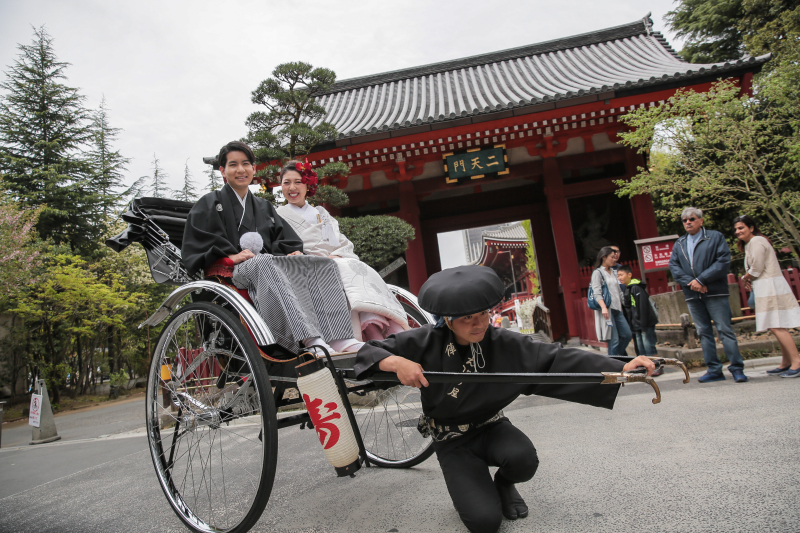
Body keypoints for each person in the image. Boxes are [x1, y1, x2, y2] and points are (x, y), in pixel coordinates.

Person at [353, 265, 655, 533]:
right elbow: (369, 352)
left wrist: (620, 367)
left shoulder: (505, 343)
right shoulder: (423, 341)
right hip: (452, 440)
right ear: (447, 319)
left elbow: (555, 359)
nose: (478, 324)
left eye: (483, 314)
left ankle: (504, 484)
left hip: (491, 428)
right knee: (485, 522)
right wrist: (396, 363)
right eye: (467, 318)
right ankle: (477, 487)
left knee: (524, 459)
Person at [181, 141, 362, 355]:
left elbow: (284, 239)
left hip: (267, 266)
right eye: (233, 164)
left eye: (246, 164)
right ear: (222, 170)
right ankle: (308, 338)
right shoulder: (209, 203)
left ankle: (340, 337)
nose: (241, 170)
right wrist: (229, 255)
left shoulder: (263, 206)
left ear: (254, 169)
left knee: (322, 263)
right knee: (263, 261)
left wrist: (291, 251)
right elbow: (200, 241)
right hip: (234, 270)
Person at [275, 161, 409, 341]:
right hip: (306, 266)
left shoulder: (321, 213)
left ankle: (375, 319)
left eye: (298, 182)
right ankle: (365, 329)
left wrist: (336, 255)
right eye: (286, 182)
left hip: (334, 259)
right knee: (342, 269)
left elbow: (343, 243)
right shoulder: (278, 215)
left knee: (357, 266)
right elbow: (279, 247)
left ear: (308, 184)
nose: (292, 187)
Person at [669, 207, 747, 383]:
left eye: (692, 219)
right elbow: (674, 266)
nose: (688, 222)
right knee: (703, 331)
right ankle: (714, 369)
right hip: (692, 293)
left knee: (724, 329)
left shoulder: (715, 237)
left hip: (715, 291)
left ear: (701, 220)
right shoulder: (679, 243)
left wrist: (702, 280)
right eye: (684, 220)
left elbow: (723, 261)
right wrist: (693, 283)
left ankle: (736, 368)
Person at [734, 215, 800, 377]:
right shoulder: (753, 243)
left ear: (751, 227)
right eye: (736, 229)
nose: (738, 232)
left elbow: (757, 267)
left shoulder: (756, 241)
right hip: (767, 287)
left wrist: (745, 278)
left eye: (741, 228)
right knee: (776, 324)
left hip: (770, 287)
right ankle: (786, 361)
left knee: (776, 325)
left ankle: (797, 362)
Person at [617, 265, 662, 375]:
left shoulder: (636, 287)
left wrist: (643, 323)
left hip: (644, 323)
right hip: (636, 324)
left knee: (649, 346)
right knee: (640, 349)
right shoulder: (628, 289)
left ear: (629, 275)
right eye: (618, 276)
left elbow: (642, 306)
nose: (619, 278)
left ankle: (657, 367)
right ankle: (645, 368)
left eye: (621, 275)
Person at [591, 246, 632, 355]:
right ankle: (615, 364)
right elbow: (597, 292)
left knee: (627, 335)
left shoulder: (614, 272)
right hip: (607, 310)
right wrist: (603, 307)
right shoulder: (597, 273)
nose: (615, 259)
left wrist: (626, 304)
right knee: (614, 340)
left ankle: (614, 357)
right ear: (604, 257)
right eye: (612, 257)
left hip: (617, 309)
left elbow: (619, 291)